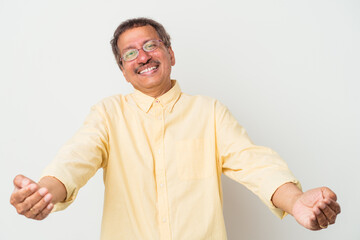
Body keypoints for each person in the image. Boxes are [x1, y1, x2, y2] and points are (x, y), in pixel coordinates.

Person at [10, 17, 340, 240]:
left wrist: (296, 201)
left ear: (170, 53)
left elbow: (254, 163)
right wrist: (44, 193)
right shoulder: (108, 114)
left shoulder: (210, 112)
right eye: (129, 53)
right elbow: (75, 159)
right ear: (124, 71)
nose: (142, 56)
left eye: (151, 46)